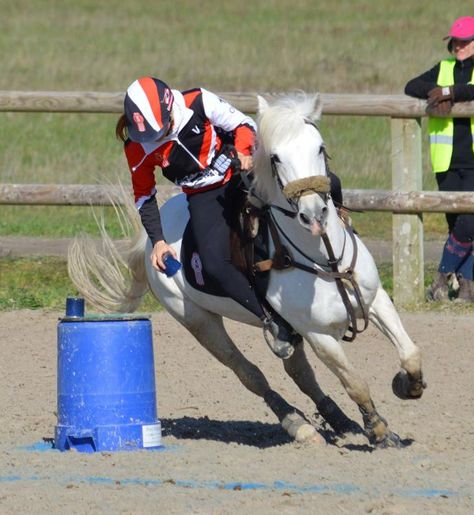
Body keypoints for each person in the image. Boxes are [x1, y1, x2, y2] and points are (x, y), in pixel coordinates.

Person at [115, 76, 300, 358]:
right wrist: (159, 241)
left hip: (240, 171)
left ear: (169, 108)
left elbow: (244, 125)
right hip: (203, 195)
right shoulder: (136, 146)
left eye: (159, 129)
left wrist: (243, 149)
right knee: (213, 262)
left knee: (312, 186)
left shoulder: (198, 101)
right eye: (148, 135)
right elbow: (144, 195)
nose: (154, 139)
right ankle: (271, 320)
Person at [404, 16, 474, 303]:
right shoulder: (444, 68)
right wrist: (437, 93)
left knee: (468, 223)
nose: (459, 46)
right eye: (455, 41)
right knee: (457, 224)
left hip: (472, 161)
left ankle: (441, 279)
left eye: (465, 41)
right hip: (446, 161)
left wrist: (451, 92)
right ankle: (468, 288)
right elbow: (411, 86)